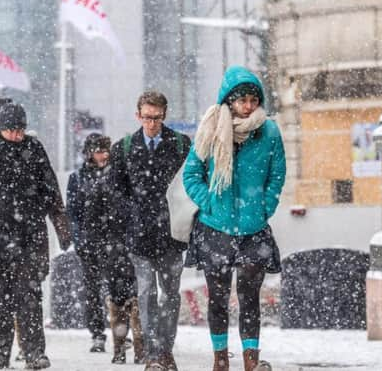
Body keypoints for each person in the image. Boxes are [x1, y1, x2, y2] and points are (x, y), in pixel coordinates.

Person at [183, 66, 286, 371]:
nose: (248, 105)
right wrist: (210, 203)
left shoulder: (269, 131)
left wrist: (265, 206)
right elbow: (192, 174)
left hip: (253, 228)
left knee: (249, 296)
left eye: (254, 99)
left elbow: (277, 174)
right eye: (242, 99)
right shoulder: (212, 127)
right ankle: (220, 359)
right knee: (217, 297)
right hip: (215, 228)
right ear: (228, 101)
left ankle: (251, 360)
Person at [0, 103, 71, 370]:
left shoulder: (34, 149)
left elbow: (51, 190)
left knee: (30, 297)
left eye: (20, 129)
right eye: (11, 130)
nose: (17, 135)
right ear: (1, 128)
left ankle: (34, 353)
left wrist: (60, 224)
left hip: (29, 237)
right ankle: (1, 353)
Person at [110, 91, 191, 371]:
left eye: (156, 118)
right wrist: (132, 216)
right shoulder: (124, 147)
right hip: (140, 234)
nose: (152, 123)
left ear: (164, 115)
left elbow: (190, 185)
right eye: (147, 117)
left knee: (170, 294)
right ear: (138, 115)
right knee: (145, 294)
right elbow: (116, 190)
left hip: (171, 234)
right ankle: (153, 353)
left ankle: (165, 350)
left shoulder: (181, 145)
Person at [67, 133, 144, 363]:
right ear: (89, 153)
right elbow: (74, 212)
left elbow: (129, 207)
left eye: (106, 150)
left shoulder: (118, 175)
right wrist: (79, 239)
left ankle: (124, 336)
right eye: (99, 151)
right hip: (91, 242)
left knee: (122, 290)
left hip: (116, 242)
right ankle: (97, 332)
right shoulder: (78, 178)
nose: (103, 155)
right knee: (92, 288)